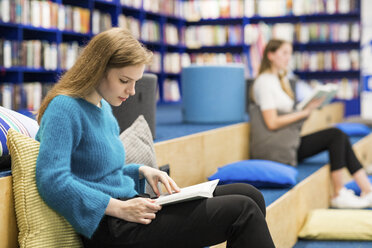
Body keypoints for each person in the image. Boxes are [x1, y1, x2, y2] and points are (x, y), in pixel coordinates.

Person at [35, 28, 275, 248]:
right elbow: (52, 180)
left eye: (135, 82)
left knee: (250, 194)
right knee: (243, 211)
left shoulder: (102, 108)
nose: (131, 91)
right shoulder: (64, 108)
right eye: (124, 81)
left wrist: (141, 171)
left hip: (133, 207)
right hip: (111, 226)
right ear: (98, 69)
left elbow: (100, 172)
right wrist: (119, 208)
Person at [250, 39, 372, 209]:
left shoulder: (279, 80)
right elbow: (272, 123)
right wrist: (303, 112)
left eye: (289, 53)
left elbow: (288, 116)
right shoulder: (264, 82)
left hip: (290, 142)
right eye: (284, 53)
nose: (288, 58)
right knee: (335, 135)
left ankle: (367, 189)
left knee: (339, 136)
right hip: (277, 148)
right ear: (270, 55)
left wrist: (308, 108)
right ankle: (338, 192)